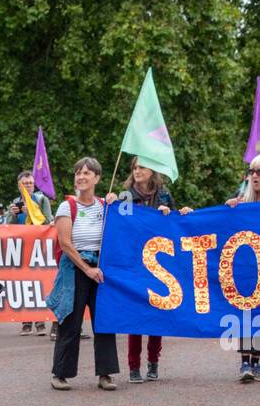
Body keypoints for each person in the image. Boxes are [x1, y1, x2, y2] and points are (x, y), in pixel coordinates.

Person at [105, 157, 191, 383]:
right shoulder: (125, 196)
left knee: (157, 313)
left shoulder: (164, 195)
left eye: (141, 167)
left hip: (158, 264)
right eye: (134, 168)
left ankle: (153, 363)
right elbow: (119, 227)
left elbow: (175, 227)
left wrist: (176, 213)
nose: (137, 171)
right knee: (135, 315)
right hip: (133, 263)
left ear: (153, 171)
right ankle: (134, 367)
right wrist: (111, 204)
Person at [49, 156, 119, 391]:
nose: (81, 177)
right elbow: (66, 243)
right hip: (76, 270)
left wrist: (116, 203)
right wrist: (87, 269)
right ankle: (60, 374)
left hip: (100, 270)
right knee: (70, 322)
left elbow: (119, 230)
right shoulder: (66, 207)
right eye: (78, 172)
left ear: (97, 178)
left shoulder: (105, 206)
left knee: (105, 322)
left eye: (87, 173)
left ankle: (106, 374)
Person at [225, 155, 260, 380]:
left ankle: (258, 361)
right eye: (252, 172)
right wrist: (229, 209)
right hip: (245, 269)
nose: (255, 176)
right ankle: (246, 362)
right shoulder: (240, 203)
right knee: (246, 312)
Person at [8, 169, 53, 334]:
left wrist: (33, 213)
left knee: (39, 281)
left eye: (30, 183)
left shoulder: (41, 200)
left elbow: (48, 221)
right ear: (19, 186)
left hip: (38, 247)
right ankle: (26, 322)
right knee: (23, 282)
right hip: (21, 247)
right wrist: (13, 214)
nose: (28, 186)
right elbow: (7, 226)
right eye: (25, 183)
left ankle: (40, 322)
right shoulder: (15, 202)